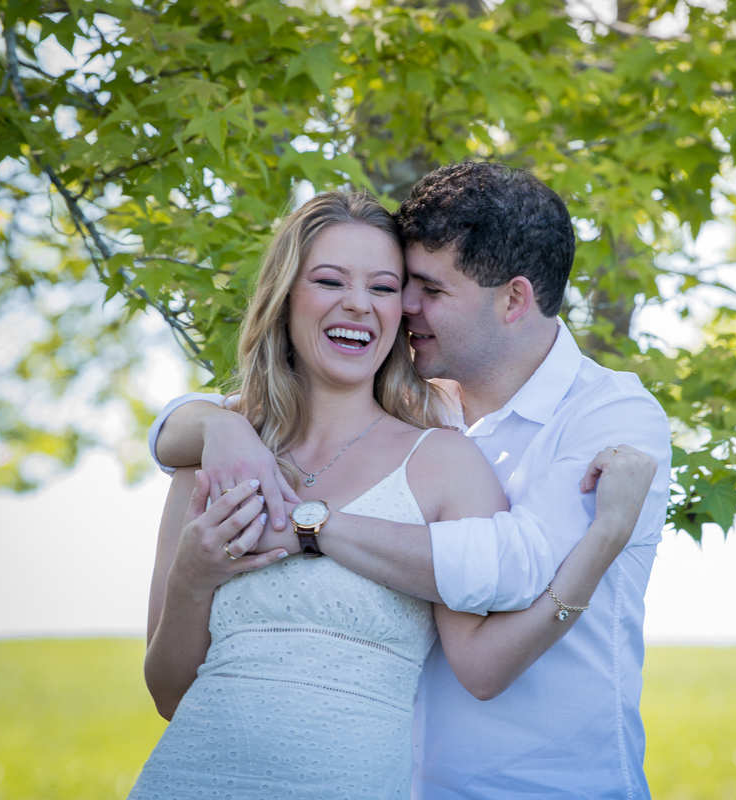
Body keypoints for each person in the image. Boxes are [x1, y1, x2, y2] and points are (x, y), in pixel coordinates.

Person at [151, 162, 674, 798]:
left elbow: (516, 567)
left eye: (418, 288)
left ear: (512, 299)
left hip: (545, 784)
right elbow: (169, 687)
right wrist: (213, 429)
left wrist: (312, 528)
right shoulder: (432, 407)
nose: (400, 307)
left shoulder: (606, 419)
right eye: (404, 285)